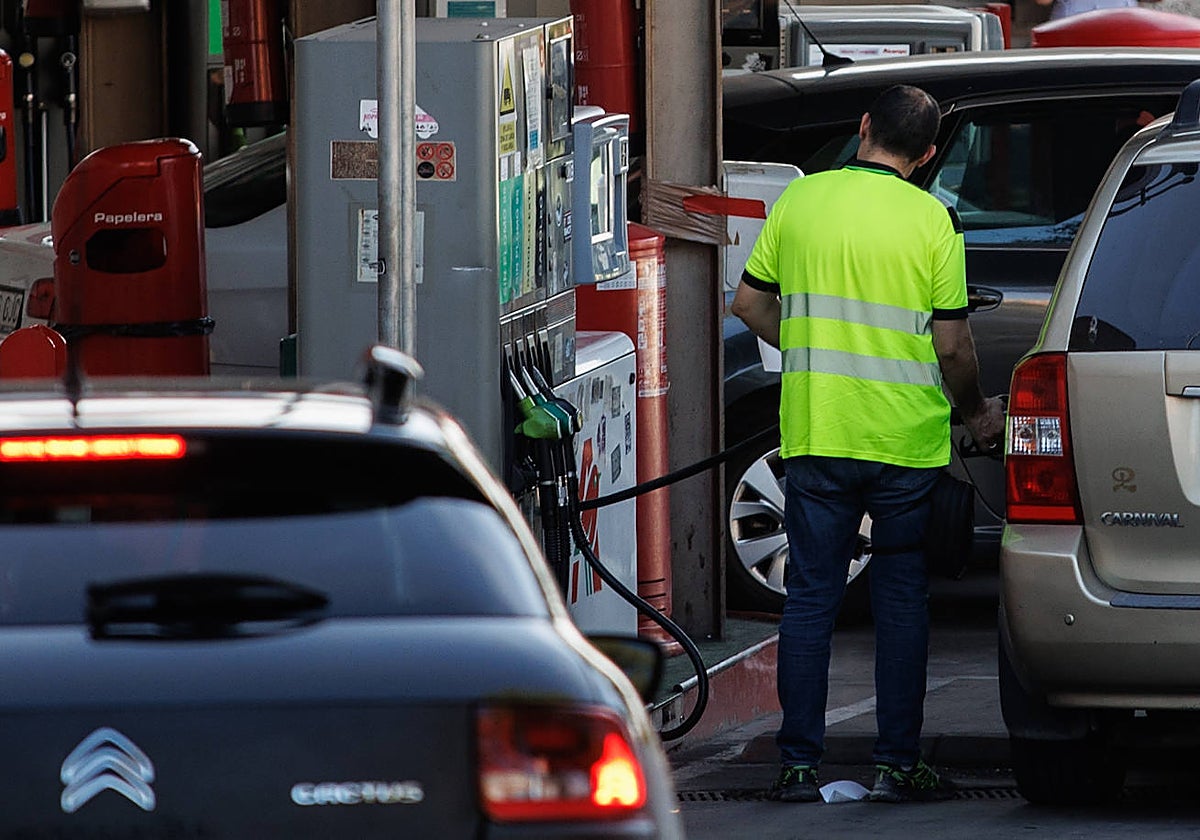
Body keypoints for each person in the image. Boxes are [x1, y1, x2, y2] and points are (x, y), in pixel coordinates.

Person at [731, 84, 1006, 804]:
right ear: (926, 155)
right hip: (905, 445)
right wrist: (977, 413)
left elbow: (749, 303)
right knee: (902, 600)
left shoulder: (801, 200)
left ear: (861, 128)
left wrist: (815, 347)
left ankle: (795, 768)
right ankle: (897, 763)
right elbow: (952, 347)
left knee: (811, 599)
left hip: (819, 432)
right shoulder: (933, 220)